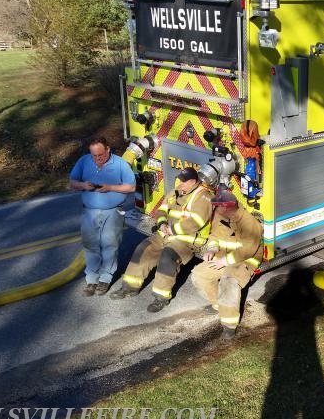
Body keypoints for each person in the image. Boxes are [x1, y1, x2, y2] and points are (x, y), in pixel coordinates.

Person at [110, 167, 214, 312]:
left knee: (168, 257)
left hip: (187, 239)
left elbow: (195, 223)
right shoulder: (176, 192)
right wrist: (162, 223)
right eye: (180, 180)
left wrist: (173, 230)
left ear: (192, 182)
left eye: (183, 182)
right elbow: (162, 210)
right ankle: (129, 288)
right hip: (166, 233)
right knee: (143, 248)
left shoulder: (203, 197)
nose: (179, 184)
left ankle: (161, 298)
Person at [191, 186, 263, 338]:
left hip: (244, 260)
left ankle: (229, 325)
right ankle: (218, 304)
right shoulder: (219, 215)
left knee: (228, 281)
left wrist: (224, 261)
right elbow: (214, 236)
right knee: (199, 274)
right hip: (223, 257)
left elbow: (247, 250)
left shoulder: (249, 223)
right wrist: (211, 249)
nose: (216, 208)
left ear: (228, 207)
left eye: (219, 205)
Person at [69, 137, 136, 297]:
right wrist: (84, 185)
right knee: (90, 245)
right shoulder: (84, 161)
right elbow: (72, 182)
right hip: (89, 211)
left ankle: (105, 278)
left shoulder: (120, 164)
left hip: (112, 212)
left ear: (108, 149)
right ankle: (91, 279)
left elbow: (131, 186)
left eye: (100, 155)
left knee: (110, 246)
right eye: (94, 156)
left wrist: (110, 187)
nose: (98, 158)